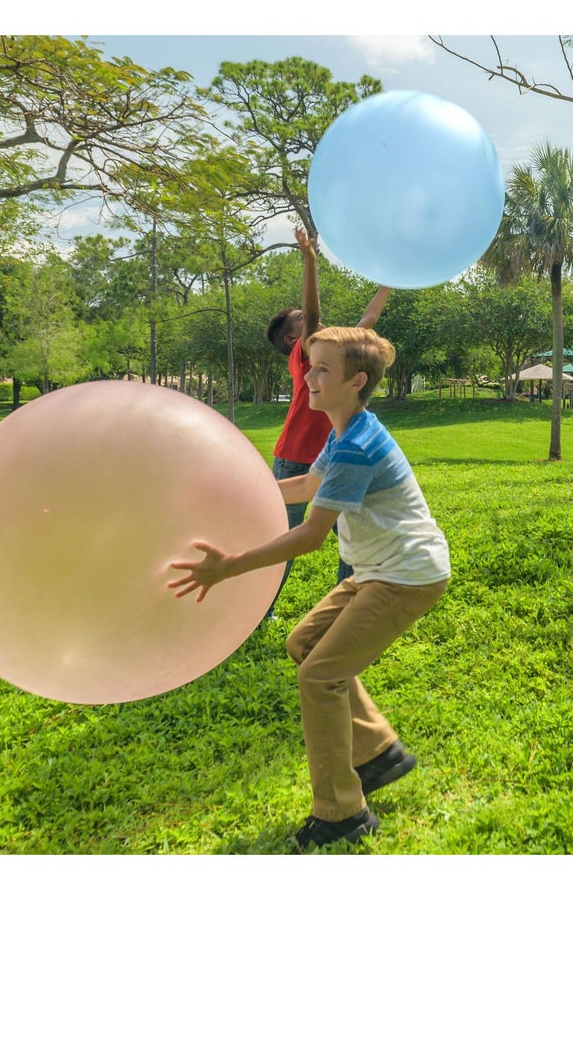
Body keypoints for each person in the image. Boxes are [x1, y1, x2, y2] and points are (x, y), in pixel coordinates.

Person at [168, 327, 451, 851]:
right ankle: (378, 753)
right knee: (304, 644)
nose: (308, 375)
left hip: (406, 575)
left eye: (321, 368)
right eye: (309, 365)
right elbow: (302, 486)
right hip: (377, 569)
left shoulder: (357, 447)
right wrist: (230, 491)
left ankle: (343, 815)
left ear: (356, 380)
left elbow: (310, 535)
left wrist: (228, 567)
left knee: (320, 677)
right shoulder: (343, 430)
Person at [265, 226, 390, 612]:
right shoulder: (307, 352)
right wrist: (310, 260)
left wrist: (391, 278)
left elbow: (368, 318)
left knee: (353, 541)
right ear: (293, 340)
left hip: (335, 459)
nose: (315, 319)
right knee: (281, 543)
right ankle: (258, 611)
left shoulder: (334, 349)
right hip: (295, 459)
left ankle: (342, 612)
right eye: (303, 319)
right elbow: (315, 311)